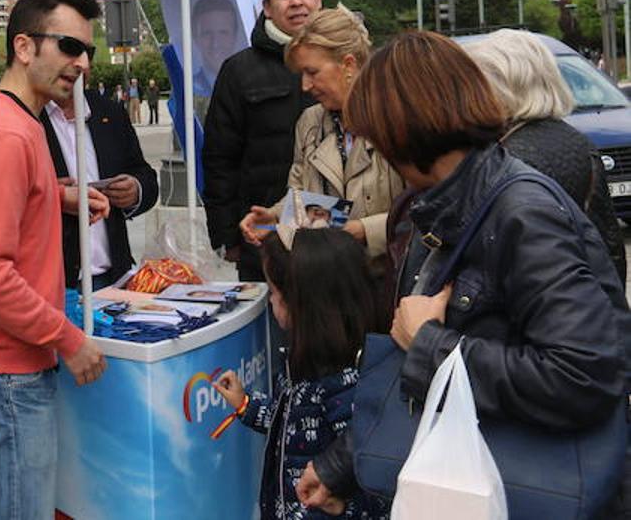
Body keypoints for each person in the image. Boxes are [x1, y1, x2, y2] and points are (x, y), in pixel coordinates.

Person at [298, 31, 631, 516]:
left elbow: (584, 374)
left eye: (377, 134)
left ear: (403, 131)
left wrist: (431, 342)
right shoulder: (448, 207)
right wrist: (340, 467)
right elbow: (414, 382)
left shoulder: (520, 213)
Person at [0, 0, 110, 519]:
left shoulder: (12, 118)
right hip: (6, 370)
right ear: (23, 47)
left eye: (86, 50)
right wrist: (68, 338)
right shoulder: (7, 134)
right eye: (68, 46)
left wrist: (52, 198)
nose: (81, 63)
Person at [213, 229, 387, 520]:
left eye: (275, 293)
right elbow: (292, 426)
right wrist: (247, 405)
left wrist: (342, 510)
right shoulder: (302, 366)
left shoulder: (350, 389)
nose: (270, 301)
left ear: (304, 305)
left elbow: (374, 492)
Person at [238, 8, 404, 266]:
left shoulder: (400, 119)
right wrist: (275, 218)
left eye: (312, 72)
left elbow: (429, 209)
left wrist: (364, 230)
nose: (304, 86)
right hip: (327, 287)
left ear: (348, 65)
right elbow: (301, 195)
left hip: (388, 286)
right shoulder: (310, 122)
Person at [463, 28, 627, 287]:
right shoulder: (577, 141)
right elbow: (608, 240)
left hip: (542, 301)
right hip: (586, 294)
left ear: (503, 88)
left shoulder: (506, 155)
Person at [203, 0, 323, 280]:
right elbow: (219, 159)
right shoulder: (239, 70)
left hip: (336, 237)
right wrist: (227, 235)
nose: (296, 2)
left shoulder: (350, 62)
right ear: (267, 7)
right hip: (265, 237)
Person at [40, 73, 159, 289]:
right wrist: (53, 195)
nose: (82, 64)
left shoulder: (108, 111)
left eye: (88, 53)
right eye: (70, 50)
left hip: (113, 278)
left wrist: (135, 190)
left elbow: (146, 176)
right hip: (54, 283)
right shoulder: (25, 118)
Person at [192, 0, 243, 98]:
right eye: (207, 33)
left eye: (223, 33)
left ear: (235, 36)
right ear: (196, 39)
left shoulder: (254, 84)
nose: (215, 43)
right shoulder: (186, 88)